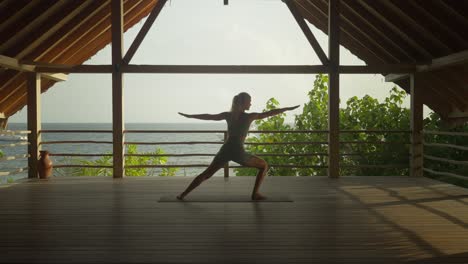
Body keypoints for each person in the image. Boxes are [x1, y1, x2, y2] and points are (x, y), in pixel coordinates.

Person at [177, 92, 299, 201]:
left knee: (206, 174)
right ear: (244, 103)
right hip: (238, 152)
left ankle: (183, 194)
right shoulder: (250, 116)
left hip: (225, 149)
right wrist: (287, 109)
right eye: (249, 101)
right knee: (264, 166)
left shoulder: (228, 115)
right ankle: (255, 194)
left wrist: (190, 116)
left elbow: (209, 116)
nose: (251, 104)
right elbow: (270, 113)